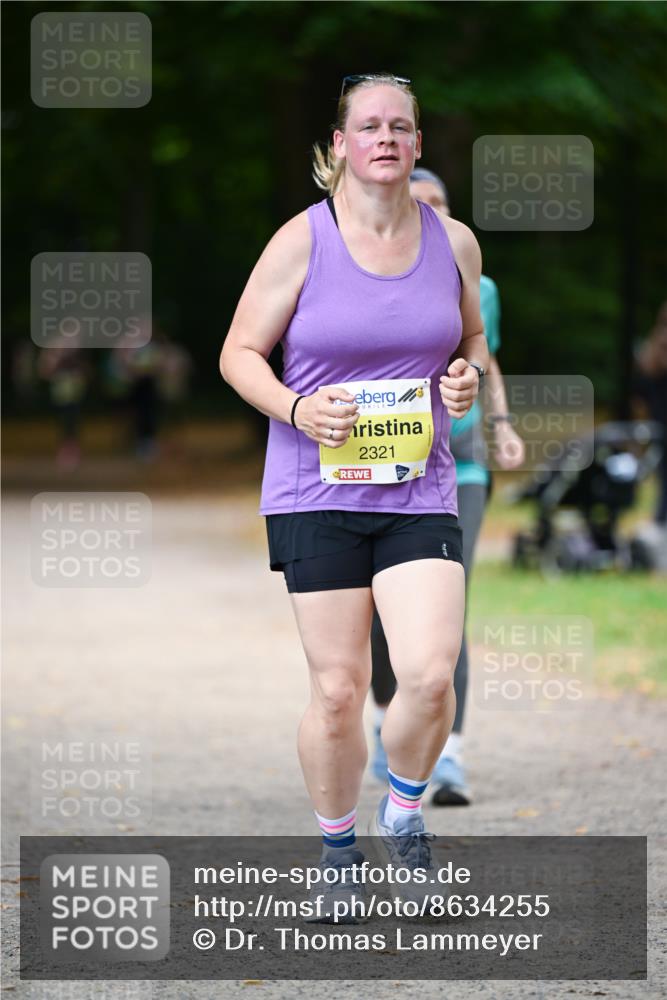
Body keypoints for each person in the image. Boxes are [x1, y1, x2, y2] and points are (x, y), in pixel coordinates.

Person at [220, 74, 488, 920]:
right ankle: (337, 852)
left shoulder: (454, 243)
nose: (384, 139)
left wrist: (464, 381)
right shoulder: (301, 242)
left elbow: (473, 343)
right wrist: (299, 407)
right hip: (315, 487)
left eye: (399, 128)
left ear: (416, 145)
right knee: (337, 688)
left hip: (419, 488)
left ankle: (402, 812)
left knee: (429, 676)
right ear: (338, 144)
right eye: (367, 126)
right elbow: (238, 353)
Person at [370, 168, 525, 805]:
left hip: (458, 466)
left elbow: (482, 354)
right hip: (383, 463)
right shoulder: (371, 273)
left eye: (441, 204)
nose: (430, 213)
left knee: (447, 613)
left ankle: (451, 755)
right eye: (419, 201)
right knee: (379, 612)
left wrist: (503, 424)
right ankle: (389, 723)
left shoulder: (477, 282)